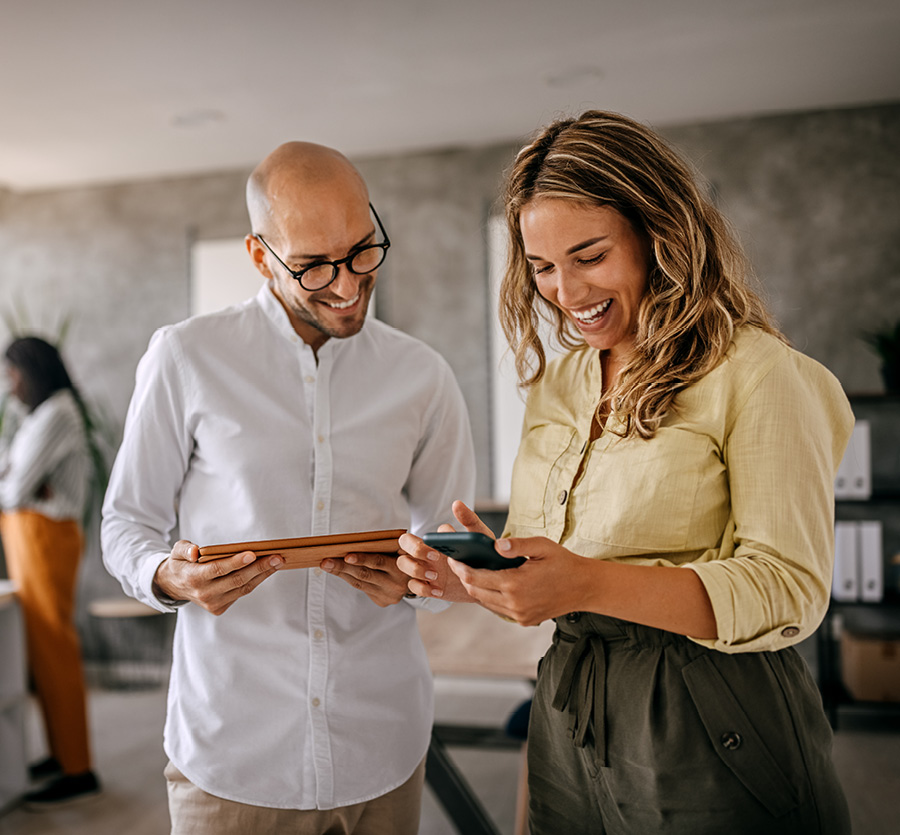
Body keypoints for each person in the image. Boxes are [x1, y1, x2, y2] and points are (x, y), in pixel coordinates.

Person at [398, 110, 854, 834]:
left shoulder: (757, 373)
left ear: (658, 233)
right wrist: (471, 578)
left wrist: (584, 581)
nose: (566, 291)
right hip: (569, 709)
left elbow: (788, 587)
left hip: (712, 714)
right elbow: (554, 561)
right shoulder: (559, 385)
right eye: (542, 267)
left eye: (589, 255)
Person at [101, 141, 475, 834]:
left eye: (364, 249)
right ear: (258, 256)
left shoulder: (423, 376)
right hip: (235, 752)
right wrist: (169, 576)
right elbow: (126, 523)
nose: (347, 283)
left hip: (382, 743)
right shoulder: (185, 357)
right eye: (312, 266)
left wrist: (428, 575)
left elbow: (449, 542)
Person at [0, 336, 101, 806]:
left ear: (33, 371)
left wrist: (22, 484)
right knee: (40, 652)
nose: (9, 384)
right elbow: (14, 477)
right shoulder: (38, 415)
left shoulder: (57, 412)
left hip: (45, 540)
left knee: (53, 649)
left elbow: (13, 488)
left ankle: (77, 767)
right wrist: (20, 482)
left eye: (14, 373)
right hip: (31, 538)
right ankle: (62, 754)